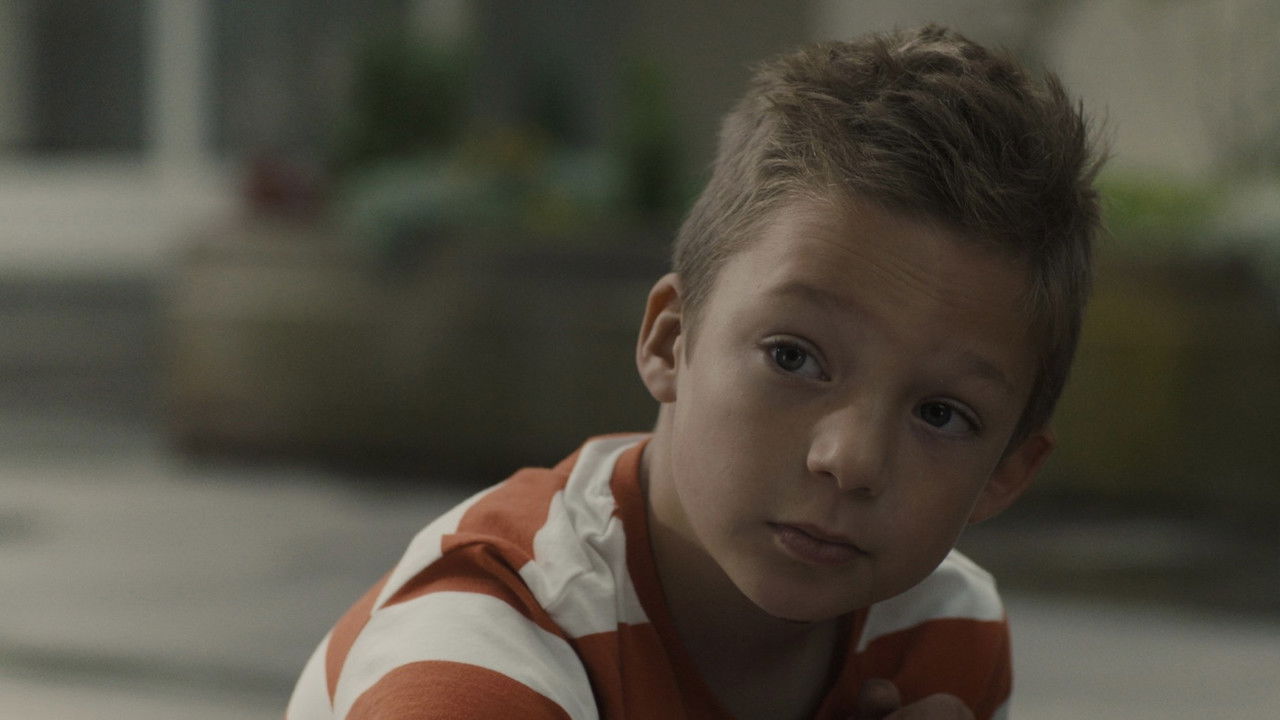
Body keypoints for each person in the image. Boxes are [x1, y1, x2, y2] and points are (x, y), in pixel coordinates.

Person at [287, 24, 1103, 720]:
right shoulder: (478, 644)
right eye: (793, 357)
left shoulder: (945, 632)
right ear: (670, 339)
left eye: (942, 414)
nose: (851, 459)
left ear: (1006, 474)